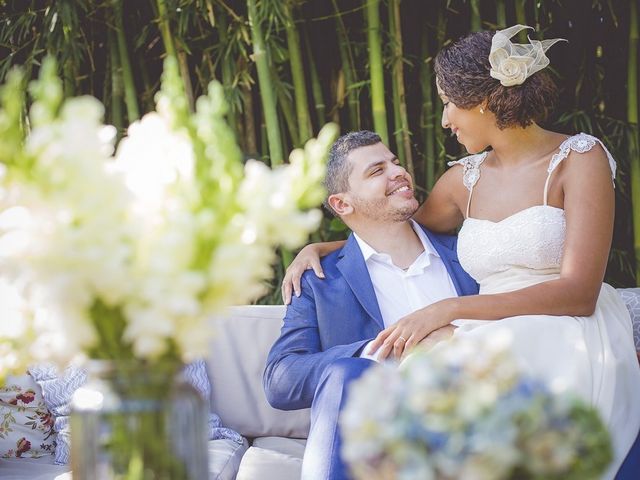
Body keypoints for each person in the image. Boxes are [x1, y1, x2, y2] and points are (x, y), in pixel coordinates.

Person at [282, 25, 640, 479]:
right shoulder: (462, 180)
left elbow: (579, 292)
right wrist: (324, 245)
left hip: (566, 325)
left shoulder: (580, 158)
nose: (446, 120)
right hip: (489, 332)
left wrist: (447, 308)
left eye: (449, 104)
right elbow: (398, 229)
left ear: (484, 102)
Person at [263, 130, 479, 480]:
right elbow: (280, 381)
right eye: (377, 171)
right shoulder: (319, 280)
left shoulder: (468, 255)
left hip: (471, 426)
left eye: (395, 162)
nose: (398, 171)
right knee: (345, 372)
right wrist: (381, 350)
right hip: (379, 441)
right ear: (342, 204)